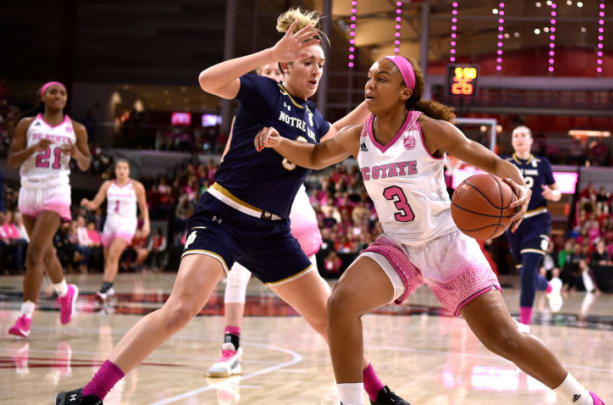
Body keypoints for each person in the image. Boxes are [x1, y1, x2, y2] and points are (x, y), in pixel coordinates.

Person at [57, 9, 407, 405]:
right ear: (285, 64)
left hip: (272, 232)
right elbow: (208, 80)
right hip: (224, 217)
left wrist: (372, 103)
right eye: (307, 62)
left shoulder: (313, 119)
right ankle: (91, 394)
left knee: (330, 317)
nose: (315, 71)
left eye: (321, 65)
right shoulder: (264, 92)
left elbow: (337, 132)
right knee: (181, 309)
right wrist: (268, 53)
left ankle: (379, 393)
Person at [255, 54, 605, 405]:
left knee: (503, 338)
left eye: (382, 79)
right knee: (341, 304)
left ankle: (581, 398)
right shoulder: (359, 135)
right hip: (398, 246)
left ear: (405, 91)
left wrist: (521, 187)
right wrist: (277, 142)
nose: (370, 84)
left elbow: (493, 161)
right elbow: (316, 156)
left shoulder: (427, 129)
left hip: (446, 243)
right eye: (370, 77)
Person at [205, 62, 324, 379]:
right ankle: (231, 346)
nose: (271, 76)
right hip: (247, 203)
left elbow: (323, 142)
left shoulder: (295, 109)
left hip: (288, 203)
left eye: (276, 71)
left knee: (312, 279)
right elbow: (228, 158)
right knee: (236, 276)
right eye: (266, 72)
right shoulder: (251, 107)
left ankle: (343, 330)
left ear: (285, 73)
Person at [7, 81, 91, 337]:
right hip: (29, 190)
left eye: (62, 93)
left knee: (34, 253)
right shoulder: (27, 124)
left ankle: (25, 317)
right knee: (45, 254)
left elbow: (86, 164)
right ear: (42, 96)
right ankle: (66, 293)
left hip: (56, 191)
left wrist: (76, 152)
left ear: (66, 99)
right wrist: (33, 149)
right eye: (52, 92)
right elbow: (11, 161)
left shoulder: (76, 128)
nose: (58, 96)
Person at [506, 125, 564, 332]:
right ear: (512, 141)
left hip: (538, 219)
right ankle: (550, 287)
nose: (519, 138)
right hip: (514, 222)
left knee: (529, 270)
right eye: (515, 135)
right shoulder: (506, 163)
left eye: (523, 135)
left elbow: (557, 192)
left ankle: (525, 324)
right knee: (526, 274)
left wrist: (553, 195)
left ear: (531, 141)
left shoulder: (542, 163)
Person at [81, 159, 150, 303]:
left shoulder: (136, 186)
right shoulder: (107, 185)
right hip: (110, 223)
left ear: (129, 171)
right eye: (119, 167)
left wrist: (146, 224)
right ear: (115, 170)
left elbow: (143, 207)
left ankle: (104, 288)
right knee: (108, 258)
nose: (122, 170)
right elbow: (95, 203)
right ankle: (110, 284)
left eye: (125, 168)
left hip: (127, 223)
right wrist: (88, 204)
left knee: (113, 254)